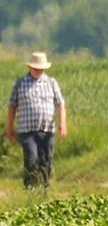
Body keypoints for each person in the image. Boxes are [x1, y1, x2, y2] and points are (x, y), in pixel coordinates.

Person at [7, 51, 66, 190]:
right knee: (31, 158)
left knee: (46, 160)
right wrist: (9, 127)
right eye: (36, 68)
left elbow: (60, 104)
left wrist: (62, 124)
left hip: (47, 129)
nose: (38, 71)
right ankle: (30, 187)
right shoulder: (20, 83)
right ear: (30, 68)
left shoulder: (51, 83)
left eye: (41, 68)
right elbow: (12, 105)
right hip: (27, 131)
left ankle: (45, 188)